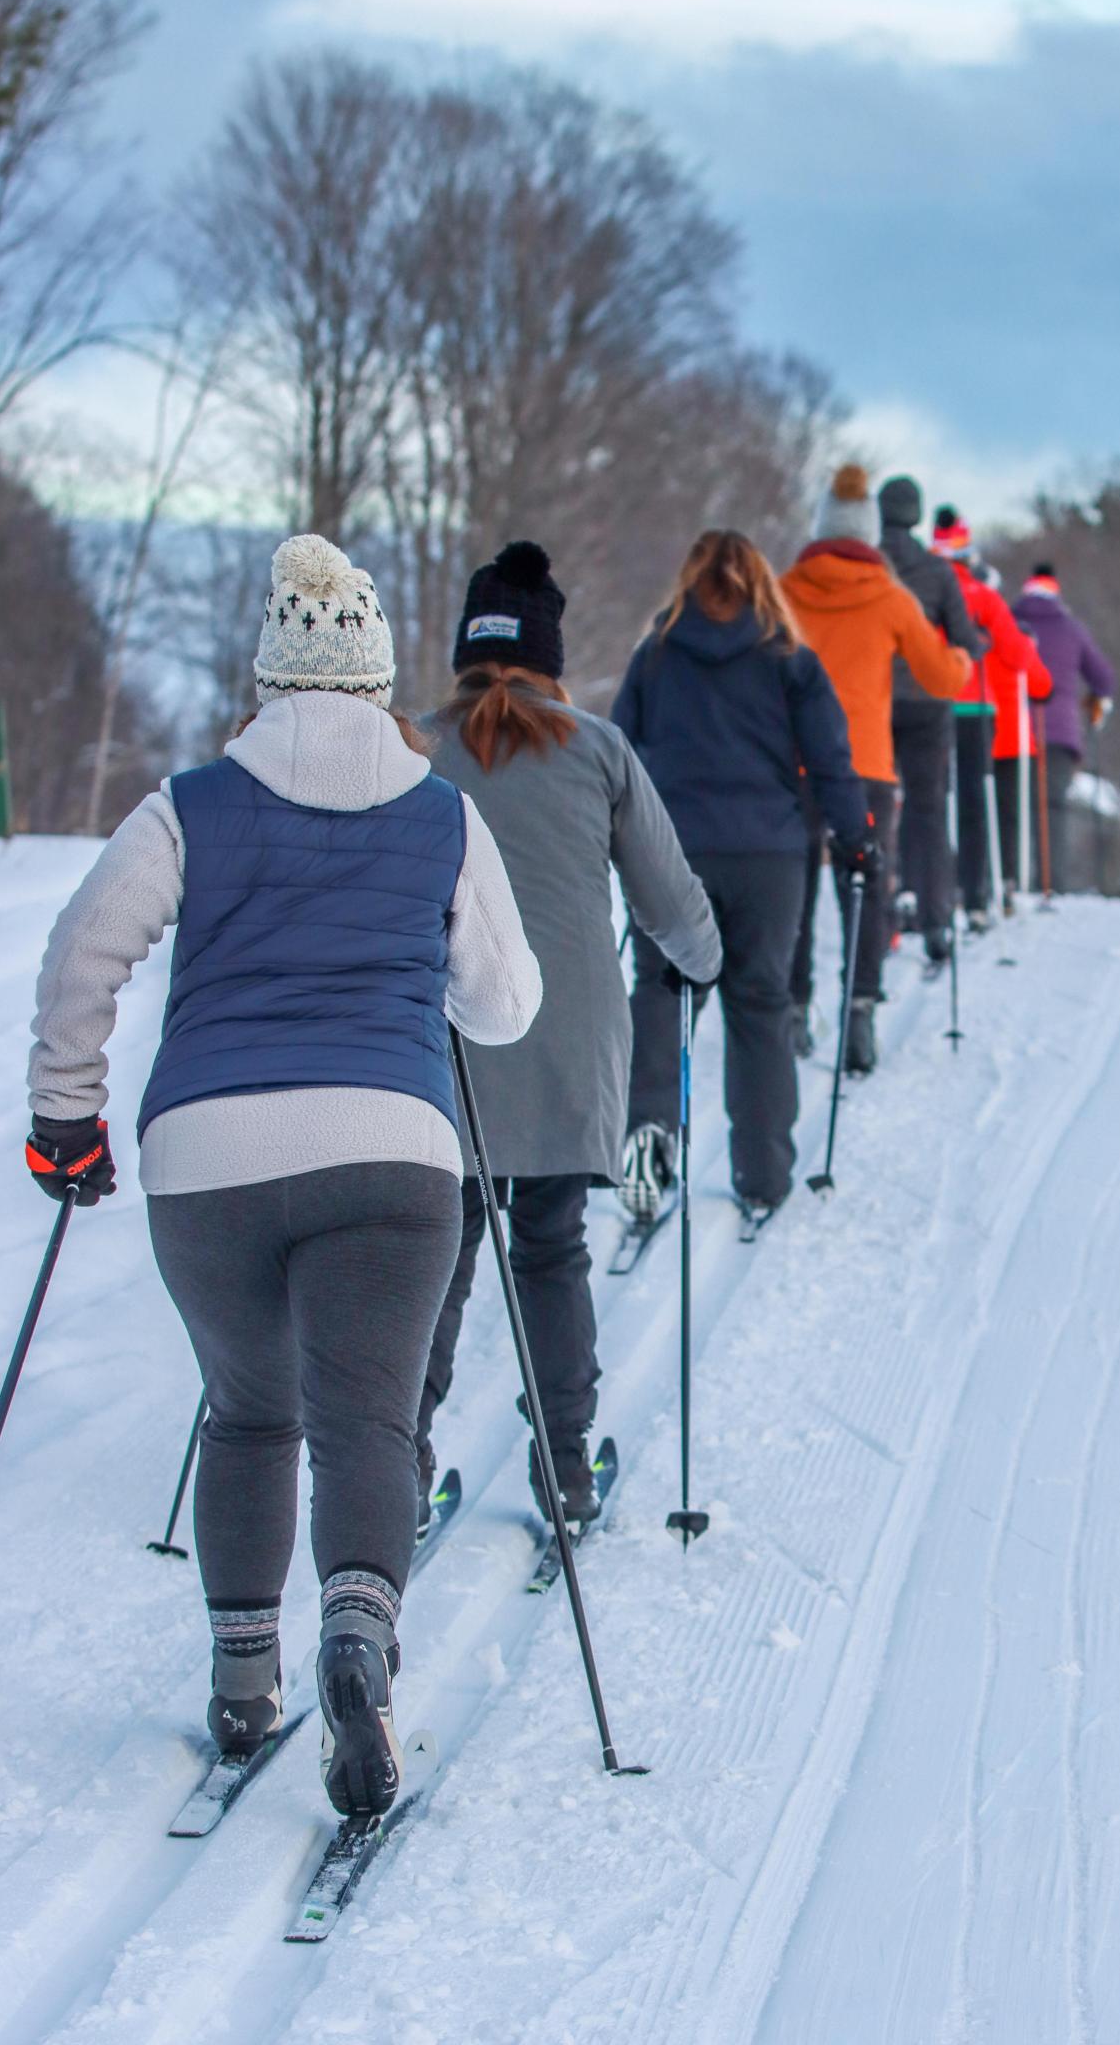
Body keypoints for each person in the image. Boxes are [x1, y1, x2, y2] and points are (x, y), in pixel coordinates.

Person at [26, 533, 541, 1822]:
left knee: (249, 1410)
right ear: (373, 678)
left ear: (266, 678)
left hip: (207, 1157)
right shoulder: (443, 816)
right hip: (390, 1150)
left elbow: (84, 951)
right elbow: (508, 1007)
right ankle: (358, 1639)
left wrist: (66, 1119)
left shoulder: (188, 805)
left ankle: (244, 1679)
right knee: (368, 1420)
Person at [419, 541, 721, 1526]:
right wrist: (702, 963)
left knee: (440, 1257)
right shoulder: (597, 748)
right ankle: (565, 1467)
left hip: (443, 1044)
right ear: (550, 655)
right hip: (564, 1038)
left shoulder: (412, 747)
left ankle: (399, 1462)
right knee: (550, 1250)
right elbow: (671, 900)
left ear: (465, 649)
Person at [612, 530, 870, 1221]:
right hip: (769, 855)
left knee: (664, 993)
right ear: (761, 583)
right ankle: (763, 1173)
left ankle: (648, 1136)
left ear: (689, 581)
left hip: (671, 852)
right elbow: (831, 759)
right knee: (761, 1002)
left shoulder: (656, 657)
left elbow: (619, 752)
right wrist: (855, 837)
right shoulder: (791, 660)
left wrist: (609, 833)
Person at [781, 463, 970, 1076]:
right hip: (865, 766)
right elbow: (943, 676)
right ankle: (859, 1014)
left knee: (797, 888)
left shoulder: (782, 591)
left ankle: (793, 1008)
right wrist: (963, 658)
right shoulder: (891, 597)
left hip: (794, 765)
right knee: (863, 888)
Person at [878, 477, 984, 962]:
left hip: (875, 701)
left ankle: (881, 923)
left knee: (876, 811)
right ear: (916, 514)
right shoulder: (938, 573)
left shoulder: (870, 569)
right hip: (927, 701)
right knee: (929, 809)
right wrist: (972, 650)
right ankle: (936, 920)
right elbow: (964, 637)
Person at [931, 508, 1053, 929]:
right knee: (975, 806)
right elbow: (1019, 655)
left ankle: (929, 892)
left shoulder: (919, 592)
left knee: (930, 803)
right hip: (977, 710)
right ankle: (977, 894)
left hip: (930, 706)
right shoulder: (983, 597)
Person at [1009, 562, 1116, 892]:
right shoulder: (1071, 627)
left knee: (1013, 808)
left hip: (1013, 728)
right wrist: (1096, 701)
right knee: (1051, 807)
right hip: (1059, 733)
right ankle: (1051, 884)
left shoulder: (1010, 620)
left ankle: (1010, 882)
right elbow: (1104, 678)